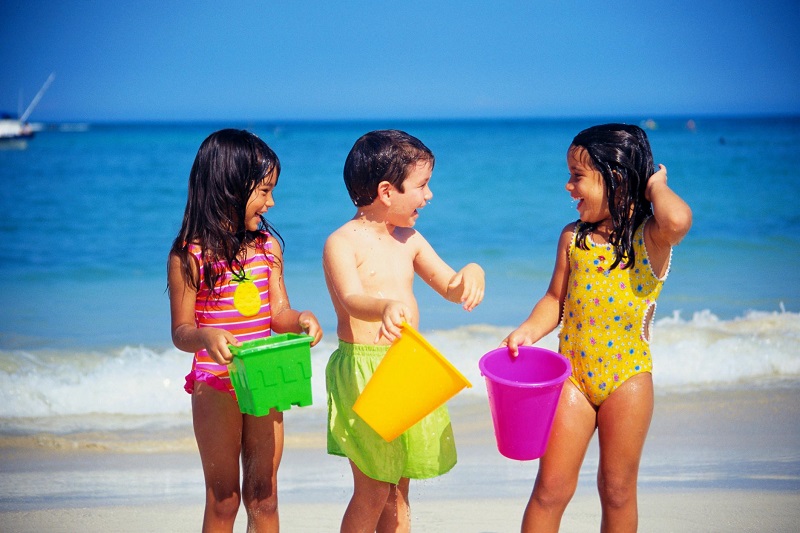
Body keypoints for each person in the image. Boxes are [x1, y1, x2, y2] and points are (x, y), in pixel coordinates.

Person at [502, 123, 692, 532]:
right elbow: (555, 300)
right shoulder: (573, 238)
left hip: (628, 378)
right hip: (572, 377)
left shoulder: (650, 238)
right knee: (550, 489)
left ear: (616, 177)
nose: (568, 186)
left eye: (577, 176)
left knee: (617, 489)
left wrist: (655, 184)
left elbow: (677, 220)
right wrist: (527, 331)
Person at [323, 129, 485, 532]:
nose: (429, 196)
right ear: (386, 191)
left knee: (398, 487)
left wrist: (471, 272)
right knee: (374, 486)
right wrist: (385, 307)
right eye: (423, 185)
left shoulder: (409, 239)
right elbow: (350, 298)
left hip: (404, 365)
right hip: (363, 371)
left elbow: (450, 285)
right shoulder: (342, 242)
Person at [167, 129, 322, 532]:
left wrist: (301, 318)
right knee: (224, 500)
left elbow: (278, 313)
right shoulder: (189, 254)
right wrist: (206, 336)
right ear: (230, 186)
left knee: (264, 494)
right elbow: (182, 331)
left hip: (265, 380)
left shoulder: (268, 246)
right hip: (215, 385)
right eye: (265, 190)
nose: (272, 202)